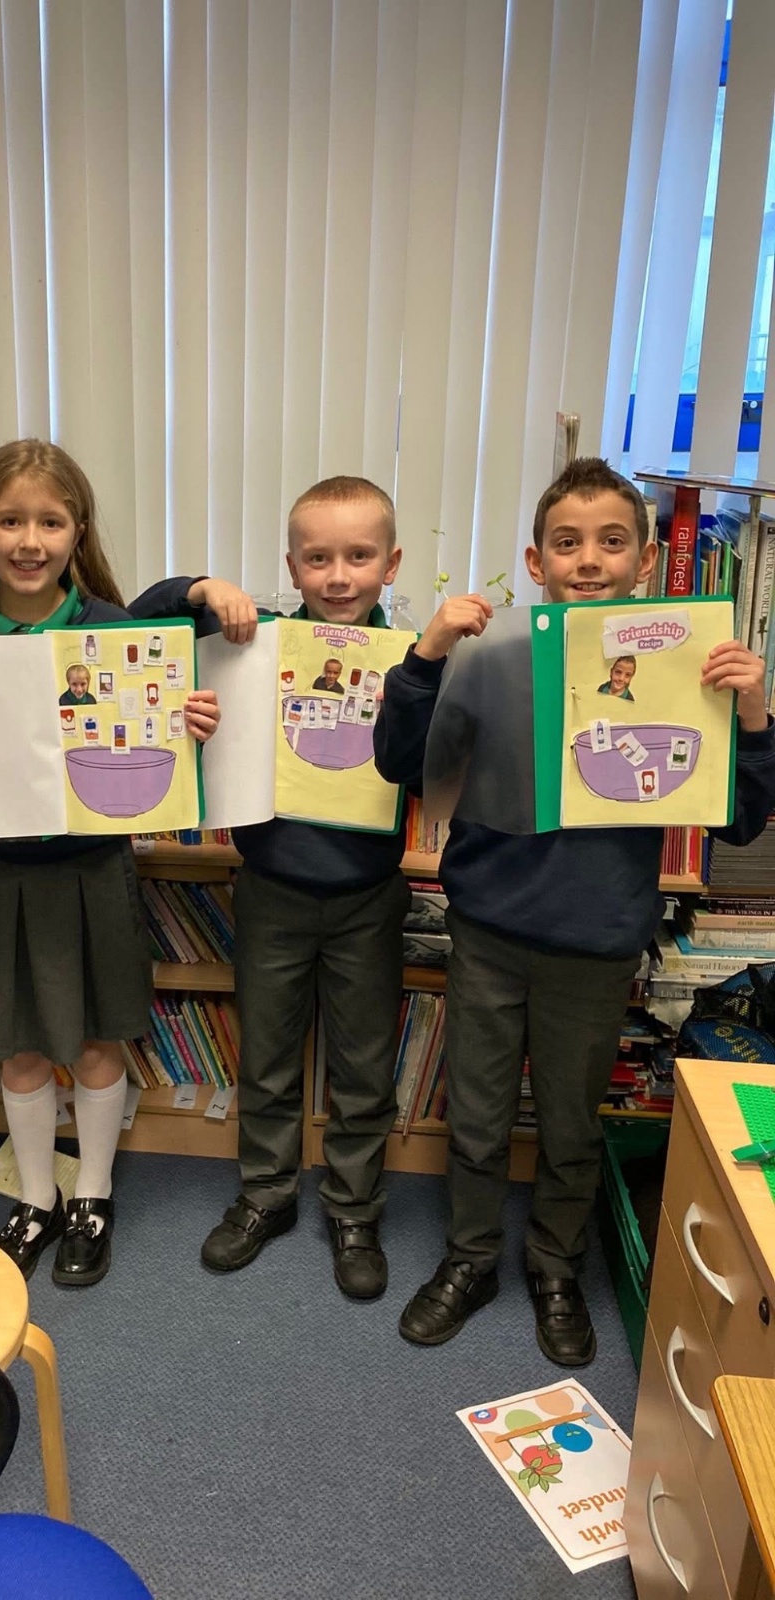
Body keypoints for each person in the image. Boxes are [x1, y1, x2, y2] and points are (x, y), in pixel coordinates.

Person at [376, 456, 775, 1365]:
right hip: (489, 930)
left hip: (595, 941)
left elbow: (741, 818)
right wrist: (427, 655)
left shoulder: (683, 669)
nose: (588, 560)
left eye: (611, 542)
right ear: (536, 561)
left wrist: (753, 714)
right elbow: (404, 764)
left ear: (645, 562)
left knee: (569, 1121)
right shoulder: (497, 657)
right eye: (566, 543)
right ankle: (471, 1258)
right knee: (478, 1116)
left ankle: (556, 1266)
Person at [0, 439, 221, 1287]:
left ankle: (92, 1193)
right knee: (21, 1049)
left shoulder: (117, 633)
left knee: (99, 1039)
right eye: (9, 521)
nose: (29, 541)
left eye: (50, 522)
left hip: (91, 870)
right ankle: (36, 1197)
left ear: (78, 532)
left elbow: (167, 730)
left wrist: (188, 725)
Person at [156, 476, 490, 1297]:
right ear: (292, 567)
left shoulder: (415, 661)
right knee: (268, 1057)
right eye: (318, 559)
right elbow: (136, 621)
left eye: (359, 557)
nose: (338, 576)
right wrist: (200, 588)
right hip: (271, 887)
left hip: (367, 896)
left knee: (363, 1066)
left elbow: (427, 770)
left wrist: (428, 662)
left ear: (391, 564)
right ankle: (266, 1195)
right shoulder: (256, 642)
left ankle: (354, 1209)